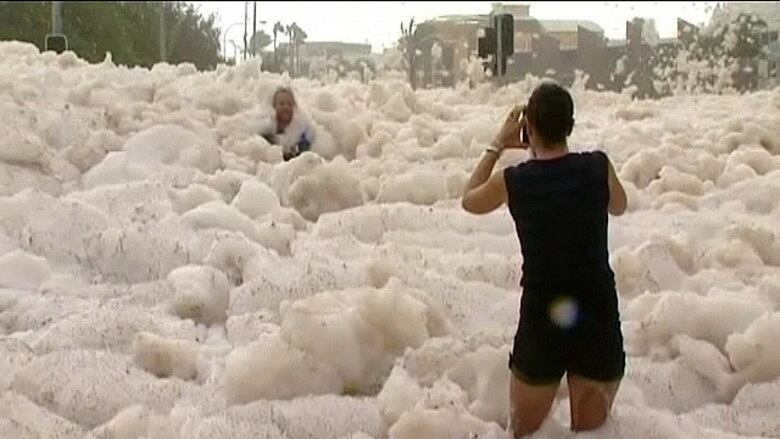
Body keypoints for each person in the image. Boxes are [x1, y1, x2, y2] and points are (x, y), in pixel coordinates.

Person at [460, 82, 628, 437]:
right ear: (570, 125)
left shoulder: (514, 181)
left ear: (528, 128)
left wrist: (498, 143)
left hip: (542, 320)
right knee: (593, 435)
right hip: (597, 314)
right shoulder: (598, 166)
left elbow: (469, 200)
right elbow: (620, 206)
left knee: (523, 434)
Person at [259, 86, 315, 161]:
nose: (286, 107)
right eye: (281, 104)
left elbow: (304, 154)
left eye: (289, 104)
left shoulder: (300, 126)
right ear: (274, 107)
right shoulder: (268, 125)